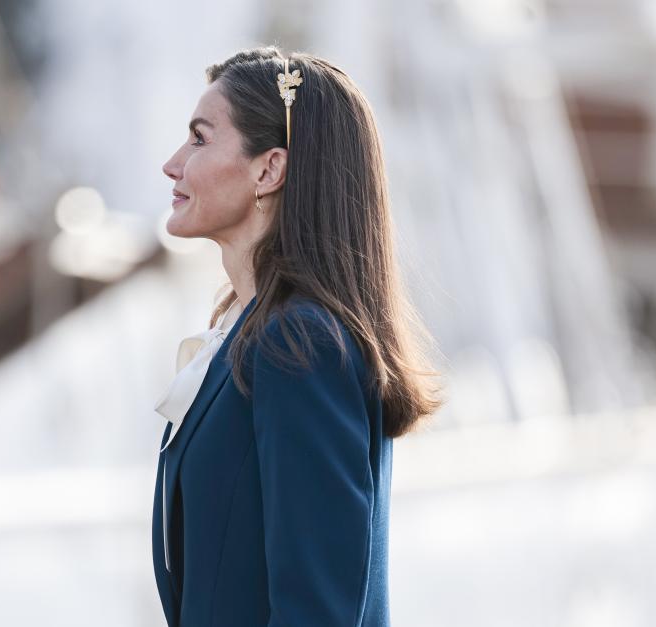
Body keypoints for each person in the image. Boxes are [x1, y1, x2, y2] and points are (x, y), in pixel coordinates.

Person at [152, 46, 444, 627]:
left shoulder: (300, 344)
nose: (172, 163)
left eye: (200, 139)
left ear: (269, 169)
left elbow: (318, 611)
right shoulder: (257, 332)